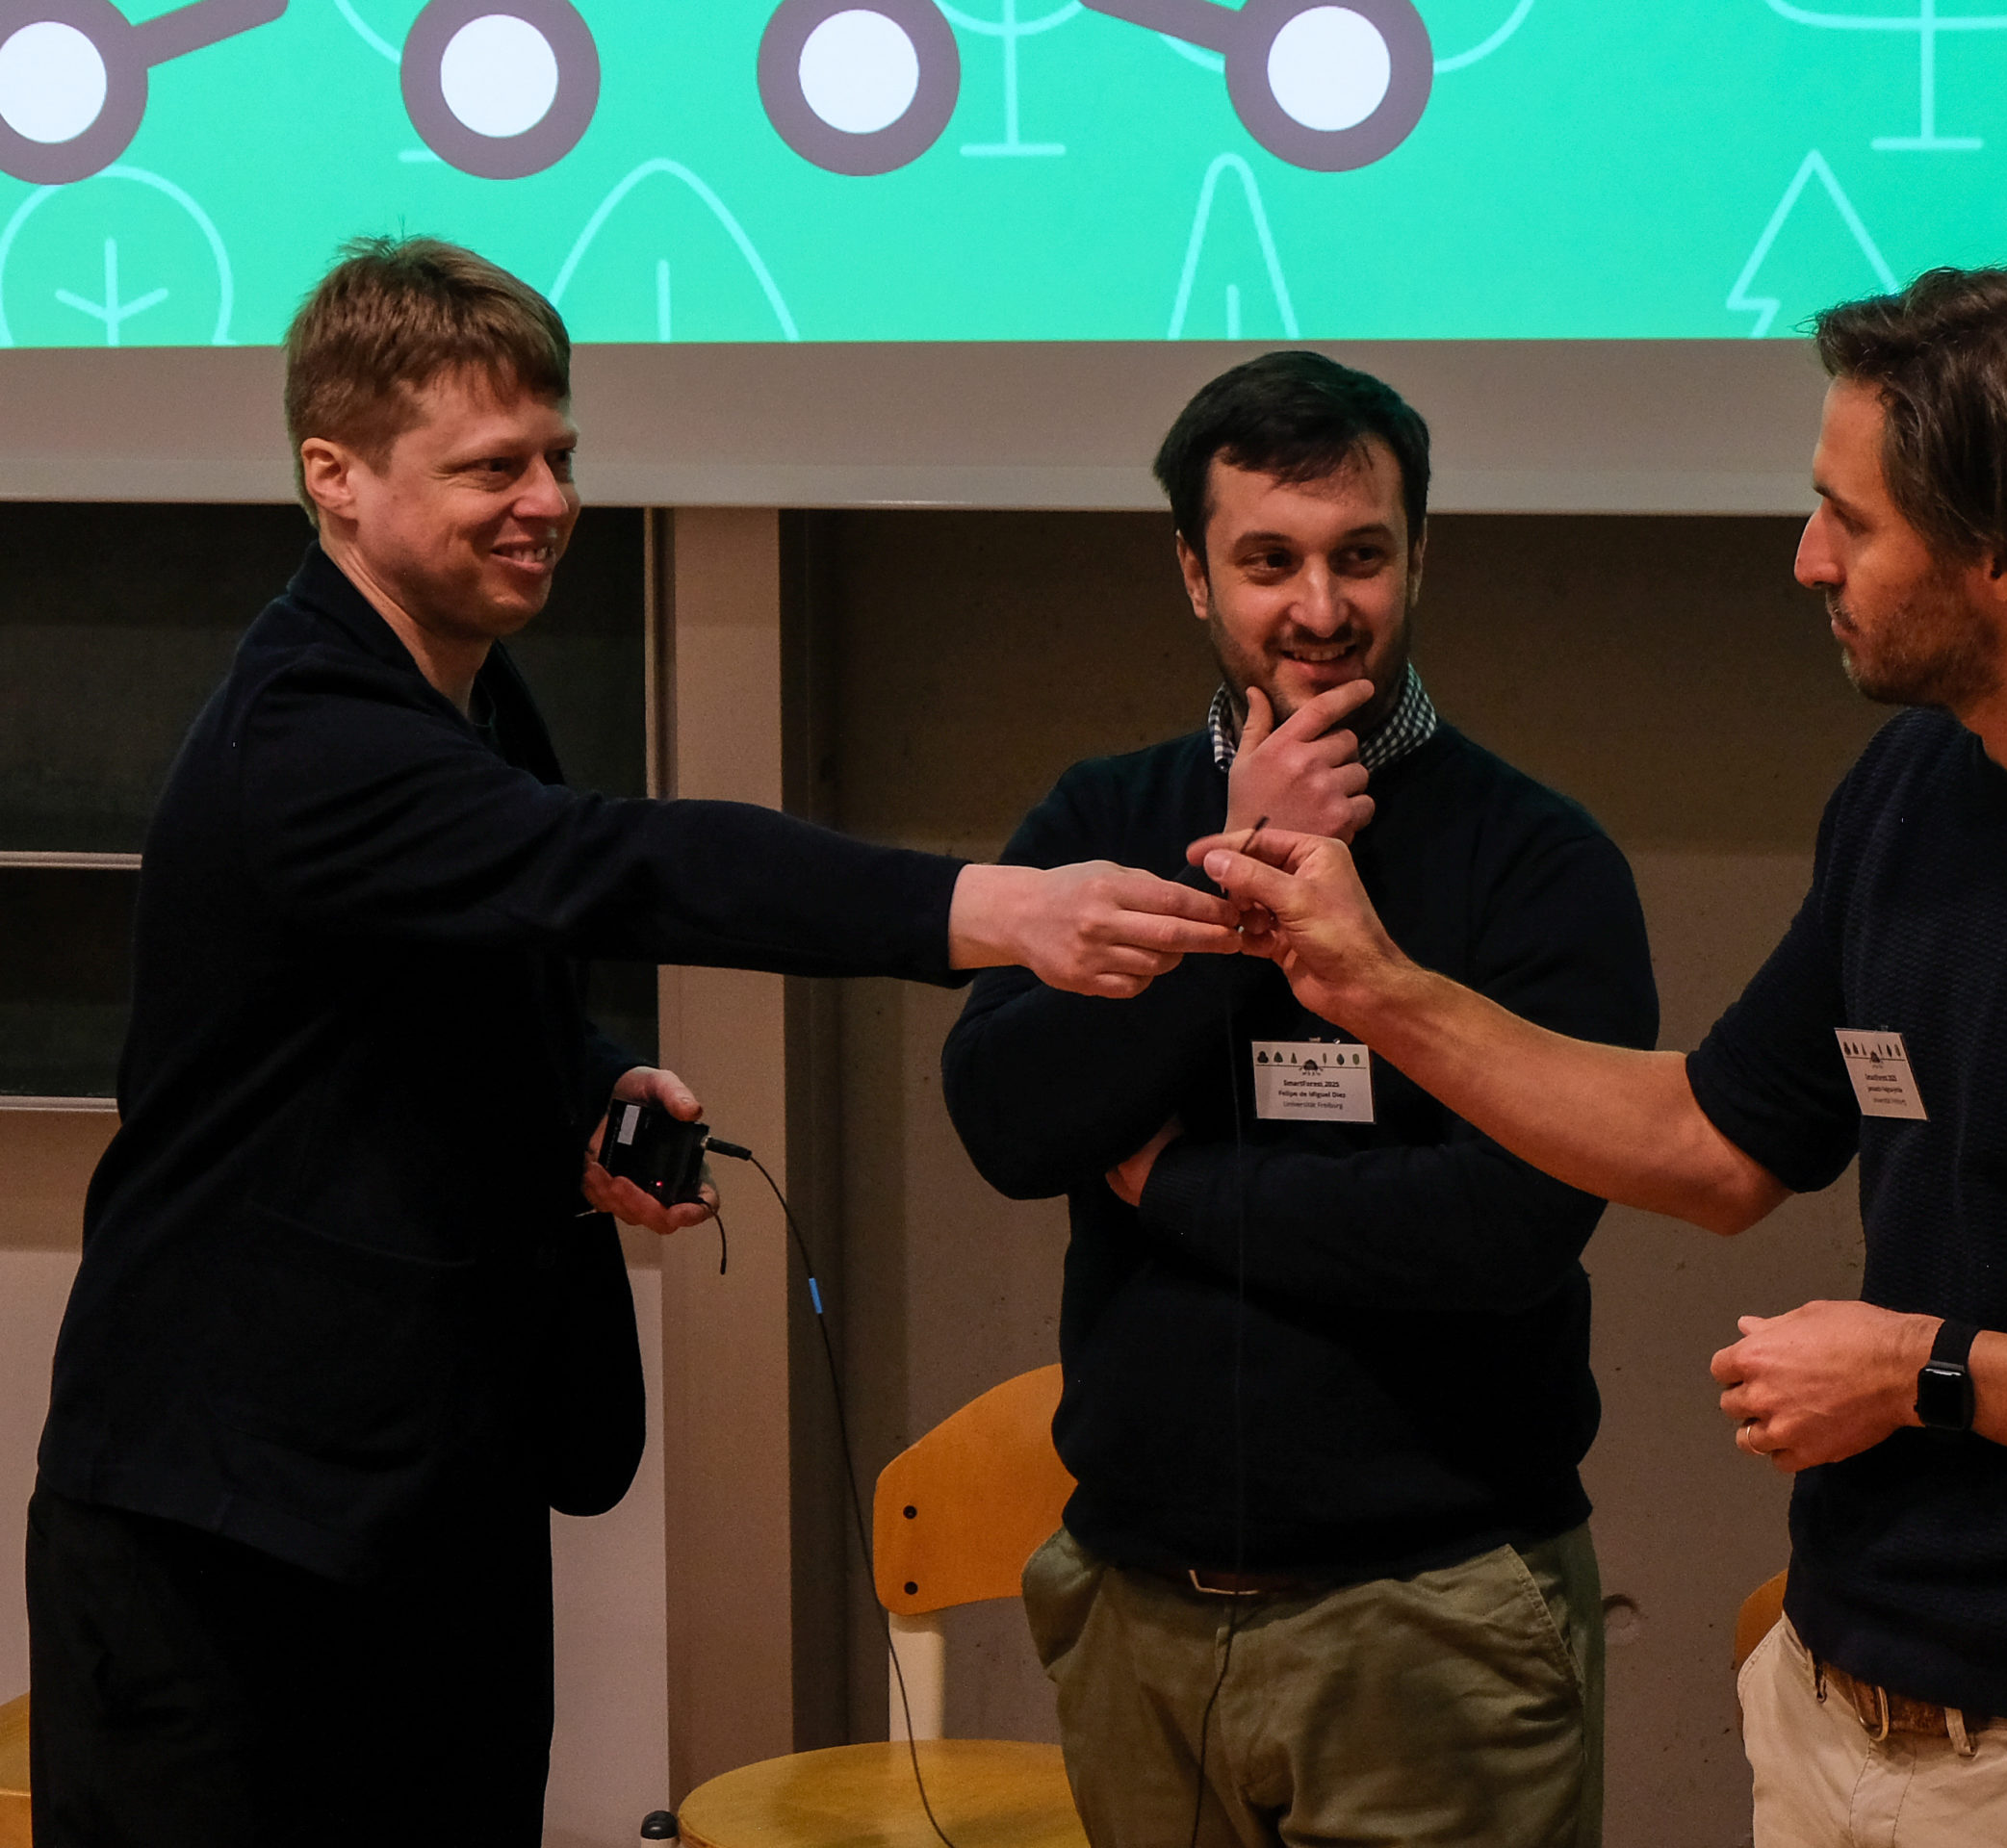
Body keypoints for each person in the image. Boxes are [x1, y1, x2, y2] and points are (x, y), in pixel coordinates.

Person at [25, 236, 1237, 1848]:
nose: (547, 500)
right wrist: (990, 907)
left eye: (561, 455)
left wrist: (584, 1093)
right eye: (491, 467)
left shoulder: (458, 685)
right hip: (232, 1530)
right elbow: (619, 860)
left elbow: (442, 968)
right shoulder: (308, 735)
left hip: (417, 1498)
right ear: (335, 476)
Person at [1199, 269, 2007, 1847]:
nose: (1807, 559)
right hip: (1833, 1716)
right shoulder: (1914, 786)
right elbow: (1716, 1142)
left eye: (1853, 520)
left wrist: (1924, 1373)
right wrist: (1375, 990)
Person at [940, 350, 1658, 1848]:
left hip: (1438, 1616)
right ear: (1194, 575)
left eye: (1361, 558)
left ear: (1418, 561)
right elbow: (1009, 1122)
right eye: (1269, 560)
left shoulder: (1537, 860)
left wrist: (1167, 1182)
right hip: (1137, 1610)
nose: (1320, 609)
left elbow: (1505, 1225)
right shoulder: (1104, 820)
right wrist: (1231, 895)